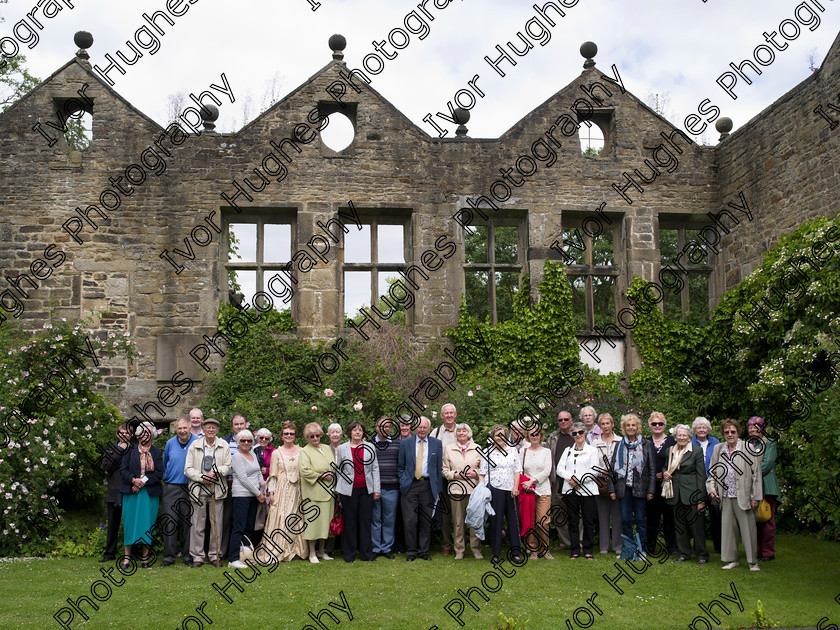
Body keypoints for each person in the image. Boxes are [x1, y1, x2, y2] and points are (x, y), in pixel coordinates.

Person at [708, 418, 763, 571]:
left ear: (738, 432)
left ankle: (753, 562)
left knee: (748, 530)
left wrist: (755, 497)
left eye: (733, 431)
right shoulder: (719, 449)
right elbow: (712, 473)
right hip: (725, 495)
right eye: (727, 432)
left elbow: (756, 474)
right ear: (723, 434)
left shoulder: (748, 447)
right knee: (728, 530)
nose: (730, 434)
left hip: (744, 496)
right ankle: (731, 559)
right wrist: (711, 489)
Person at [184, 417, 231, 568]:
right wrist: (202, 477)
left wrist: (215, 474)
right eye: (208, 427)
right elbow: (188, 469)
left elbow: (228, 466)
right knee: (198, 525)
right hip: (198, 490)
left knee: (216, 524)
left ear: (217, 430)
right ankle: (197, 556)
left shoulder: (224, 445)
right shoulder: (194, 445)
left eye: (214, 428)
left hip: (217, 489)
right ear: (203, 429)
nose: (211, 430)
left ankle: (214, 555)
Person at [608, 413, 656, 554]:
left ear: (638, 427)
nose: (630, 427)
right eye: (628, 425)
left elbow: (652, 469)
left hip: (641, 489)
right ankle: (628, 550)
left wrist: (651, 491)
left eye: (633, 425)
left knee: (641, 520)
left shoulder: (647, 445)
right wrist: (612, 489)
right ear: (624, 427)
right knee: (626, 521)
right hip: (624, 489)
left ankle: (641, 550)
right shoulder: (619, 445)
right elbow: (612, 469)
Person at [119, 421, 164, 570]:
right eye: (143, 432)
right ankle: (126, 559)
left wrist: (142, 482)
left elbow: (159, 473)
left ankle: (145, 559)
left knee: (147, 524)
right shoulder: (129, 451)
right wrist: (133, 480)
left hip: (149, 493)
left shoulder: (157, 452)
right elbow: (123, 470)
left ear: (153, 435)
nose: (146, 435)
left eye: (149, 432)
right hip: (131, 492)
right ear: (138, 434)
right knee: (129, 523)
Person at [398, 416, 443, 561]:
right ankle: (411, 552)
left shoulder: (437, 444)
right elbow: (401, 466)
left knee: (425, 520)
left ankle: (423, 552)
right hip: (410, 485)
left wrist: (438, 490)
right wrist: (404, 481)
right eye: (419, 427)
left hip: (428, 486)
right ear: (415, 428)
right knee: (410, 520)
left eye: (424, 427)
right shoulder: (406, 443)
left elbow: (438, 468)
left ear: (429, 429)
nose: (422, 430)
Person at [260, 422, 306, 562]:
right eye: (286, 433)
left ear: (295, 435)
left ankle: (297, 549)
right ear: (281, 436)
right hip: (282, 489)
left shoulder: (302, 451)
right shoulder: (276, 453)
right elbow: (272, 475)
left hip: (298, 489)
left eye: (291, 434)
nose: (288, 436)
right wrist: (271, 493)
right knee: (281, 516)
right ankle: (280, 548)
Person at [336, 421, 380, 562]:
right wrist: (338, 491)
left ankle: (366, 554)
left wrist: (376, 490)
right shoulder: (343, 448)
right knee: (350, 522)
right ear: (350, 432)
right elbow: (339, 470)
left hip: (367, 490)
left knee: (366, 522)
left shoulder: (370, 447)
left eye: (360, 430)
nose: (357, 432)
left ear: (363, 433)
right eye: (354, 430)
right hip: (348, 491)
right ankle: (349, 554)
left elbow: (375, 469)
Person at [479, 424, 523, 565]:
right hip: (494, 490)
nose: (500, 438)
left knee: (513, 522)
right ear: (493, 437)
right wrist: (483, 490)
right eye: (498, 435)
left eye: (503, 434)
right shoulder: (487, 452)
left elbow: (517, 470)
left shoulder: (512, 451)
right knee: (496, 523)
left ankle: (516, 553)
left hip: (510, 490)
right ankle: (496, 553)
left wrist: (515, 487)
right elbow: (482, 474)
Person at [665, 424, 709, 565]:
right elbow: (666, 467)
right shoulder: (670, 451)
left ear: (690, 437)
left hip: (692, 494)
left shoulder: (696, 451)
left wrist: (701, 499)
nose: (682, 437)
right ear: (675, 437)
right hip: (675, 494)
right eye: (679, 435)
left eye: (685, 435)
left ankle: (702, 554)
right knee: (680, 525)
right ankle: (684, 553)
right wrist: (665, 472)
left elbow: (701, 476)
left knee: (696, 527)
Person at [557, 422, 600, 559]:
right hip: (570, 490)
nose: (578, 435)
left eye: (580, 432)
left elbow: (594, 471)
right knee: (573, 520)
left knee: (588, 520)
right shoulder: (568, 451)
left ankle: (587, 549)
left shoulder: (592, 450)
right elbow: (559, 469)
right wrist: (571, 478)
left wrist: (578, 480)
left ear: (585, 433)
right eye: (574, 433)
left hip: (587, 490)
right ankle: (575, 549)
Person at [442, 422, 483, 560]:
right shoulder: (449, 448)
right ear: (456, 434)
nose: (461, 433)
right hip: (456, 490)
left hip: (474, 490)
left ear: (469, 433)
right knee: (458, 522)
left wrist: (475, 473)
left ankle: (476, 549)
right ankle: (459, 550)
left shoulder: (477, 448)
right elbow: (444, 470)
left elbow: (483, 470)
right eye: (459, 431)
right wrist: (454, 475)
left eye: (464, 431)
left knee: (475, 521)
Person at [161, 418, 196, 567]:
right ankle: (169, 556)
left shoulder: (196, 442)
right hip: (171, 487)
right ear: (176, 429)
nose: (182, 431)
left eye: (185, 428)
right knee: (170, 522)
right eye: (179, 428)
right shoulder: (170, 443)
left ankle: (187, 555)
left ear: (190, 428)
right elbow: (165, 463)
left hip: (190, 487)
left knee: (187, 522)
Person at [299, 422, 336, 563]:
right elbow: (305, 470)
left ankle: (322, 551)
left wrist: (331, 474)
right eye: (311, 436)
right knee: (313, 524)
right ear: (307, 438)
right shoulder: (304, 451)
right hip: (313, 493)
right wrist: (321, 475)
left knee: (325, 523)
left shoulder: (327, 448)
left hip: (328, 492)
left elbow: (333, 465)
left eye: (317, 435)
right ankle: (312, 553)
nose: (315, 438)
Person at [228, 429, 265, 568]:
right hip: (241, 496)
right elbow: (243, 479)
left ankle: (245, 555)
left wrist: (264, 487)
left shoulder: (252, 454)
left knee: (249, 527)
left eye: (249, 440)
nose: (246, 443)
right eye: (243, 440)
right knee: (239, 527)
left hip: (253, 496)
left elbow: (258, 474)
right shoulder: (237, 457)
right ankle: (233, 558)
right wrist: (258, 493)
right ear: (238, 442)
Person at [99, 423, 131, 563]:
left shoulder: (135, 449)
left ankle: (131, 554)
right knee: (113, 525)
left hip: (130, 491)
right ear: (117, 434)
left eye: (127, 433)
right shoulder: (111, 449)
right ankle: (109, 553)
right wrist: (119, 450)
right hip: (114, 491)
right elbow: (107, 466)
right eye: (122, 433)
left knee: (130, 524)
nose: (125, 435)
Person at [646, 411, 677, 554]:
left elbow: (677, 462)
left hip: (668, 485)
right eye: (654, 424)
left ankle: (672, 547)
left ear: (664, 425)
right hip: (651, 486)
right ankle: (650, 547)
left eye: (660, 423)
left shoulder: (672, 442)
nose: (657, 426)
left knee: (669, 518)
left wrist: (666, 474)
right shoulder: (645, 442)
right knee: (652, 518)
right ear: (650, 425)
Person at [747, 416, 778, 561]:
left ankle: (767, 552)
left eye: (756, 426)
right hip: (750, 487)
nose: (753, 429)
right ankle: (757, 550)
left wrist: (751, 474)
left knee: (767, 519)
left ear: (762, 427)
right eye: (750, 427)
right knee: (754, 519)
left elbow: (767, 463)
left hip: (766, 486)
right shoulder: (746, 444)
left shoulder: (769, 442)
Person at [520, 423, 552, 559]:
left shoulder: (546, 452)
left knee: (543, 521)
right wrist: (524, 483)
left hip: (543, 490)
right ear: (528, 435)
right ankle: (533, 550)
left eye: (537, 434)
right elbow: (519, 469)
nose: (535, 436)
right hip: (527, 491)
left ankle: (545, 549)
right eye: (532, 434)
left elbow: (547, 471)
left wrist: (532, 481)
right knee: (530, 521)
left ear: (541, 435)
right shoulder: (523, 451)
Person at [371, 416, 401, 559]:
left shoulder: (397, 443)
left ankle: (387, 548)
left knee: (389, 519)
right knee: (375, 519)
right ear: (376, 427)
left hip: (392, 487)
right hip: (374, 488)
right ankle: (376, 548)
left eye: (388, 426)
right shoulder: (369, 444)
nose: (385, 429)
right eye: (382, 426)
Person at [592, 413, 621, 556]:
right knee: (602, 515)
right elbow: (591, 463)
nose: (605, 426)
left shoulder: (621, 441)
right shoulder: (595, 443)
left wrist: (614, 469)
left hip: (617, 482)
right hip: (601, 482)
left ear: (613, 424)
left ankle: (617, 546)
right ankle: (603, 546)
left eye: (608, 423)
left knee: (617, 515)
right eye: (602, 424)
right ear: (600, 426)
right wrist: (600, 470)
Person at [219, 413, 248, 557]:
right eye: (236, 424)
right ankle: (223, 551)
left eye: (241, 424)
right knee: (226, 520)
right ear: (232, 425)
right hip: (228, 486)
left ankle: (243, 551)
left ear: (246, 424)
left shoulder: (249, 441)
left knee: (242, 521)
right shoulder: (224, 441)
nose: (239, 427)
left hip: (244, 488)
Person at [431, 403, 458, 555]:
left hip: (460, 478)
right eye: (446, 413)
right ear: (441, 416)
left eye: (451, 413)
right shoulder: (436, 432)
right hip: (443, 477)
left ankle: (459, 544)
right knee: (445, 514)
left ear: (455, 414)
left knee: (460, 513)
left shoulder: (462, 430)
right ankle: (446, 545)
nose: (448, 415)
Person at [692, 416, 722, 553]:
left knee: (716, 515)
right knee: (698, 516)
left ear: (708, 429)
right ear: (694, 430)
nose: (701, 430)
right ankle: (698, 547)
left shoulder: (716, 442)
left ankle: (720, 546)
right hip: (696, 484)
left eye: (704, 427)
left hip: (713, 483)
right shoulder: (690, 442)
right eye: (699, 427)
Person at [547, 410, 575, 550]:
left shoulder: (578, 434)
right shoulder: (553, 437)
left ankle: (579, 542)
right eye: (560, 420)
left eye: (566, 419)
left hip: (576, 482)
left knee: (577, 513)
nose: (563, 422)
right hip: (557, 481)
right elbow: (548, 458)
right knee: (559, 512)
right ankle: (565, 542)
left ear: (571, 420)